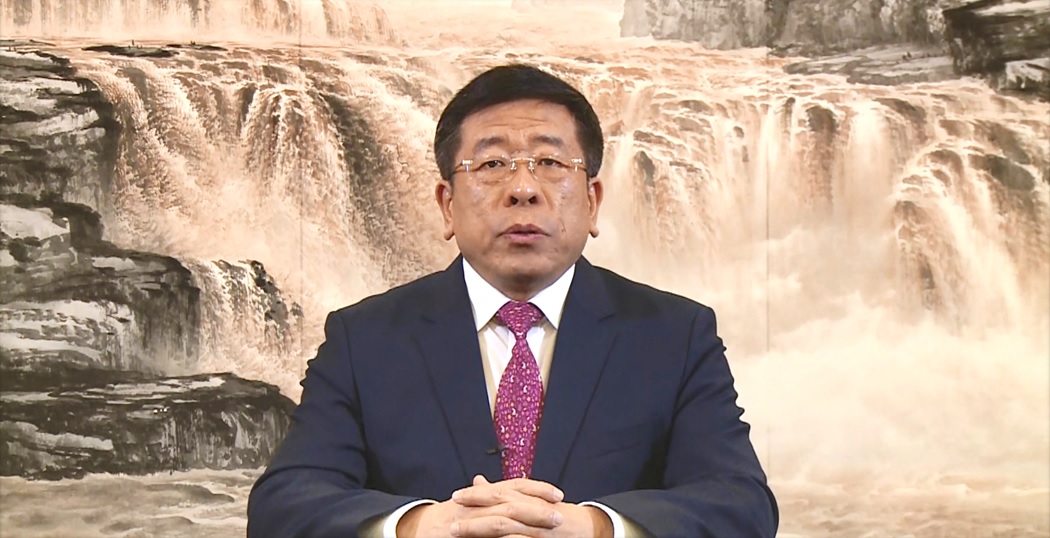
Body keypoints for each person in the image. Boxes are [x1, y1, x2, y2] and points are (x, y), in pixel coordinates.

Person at [247, 64, 777, 538]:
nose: (523, 188)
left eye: (550, 161)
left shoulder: (675, 335)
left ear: (592, 201)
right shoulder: (364, 339)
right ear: (447, 205)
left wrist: (596, 527)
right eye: (492, 164)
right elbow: (283, 507)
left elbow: (742, 505)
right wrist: (418, 525)